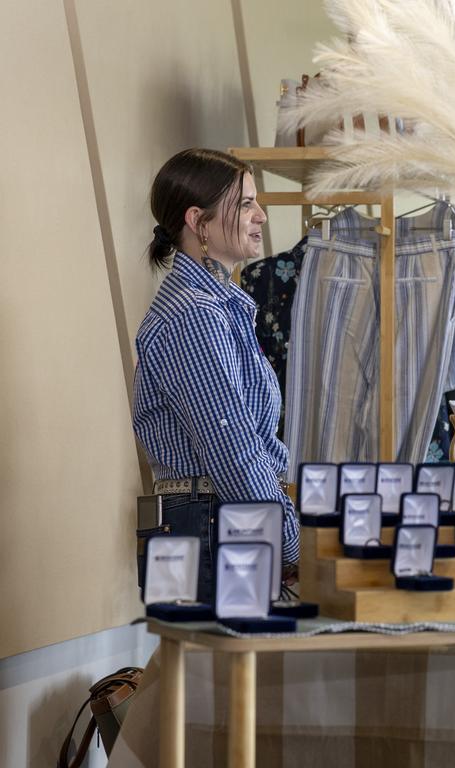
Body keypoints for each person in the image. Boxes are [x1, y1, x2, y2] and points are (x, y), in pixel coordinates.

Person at [133, 148, 299, 603]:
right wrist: (292, 541)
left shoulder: (218, 308)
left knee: (220, 673)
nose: (261, 216)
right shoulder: (195, 316)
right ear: (199, 222)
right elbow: (233, 450)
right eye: (245, 204)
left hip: (213, 523)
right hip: (209, 527)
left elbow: (249, 444)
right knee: (223, 673)